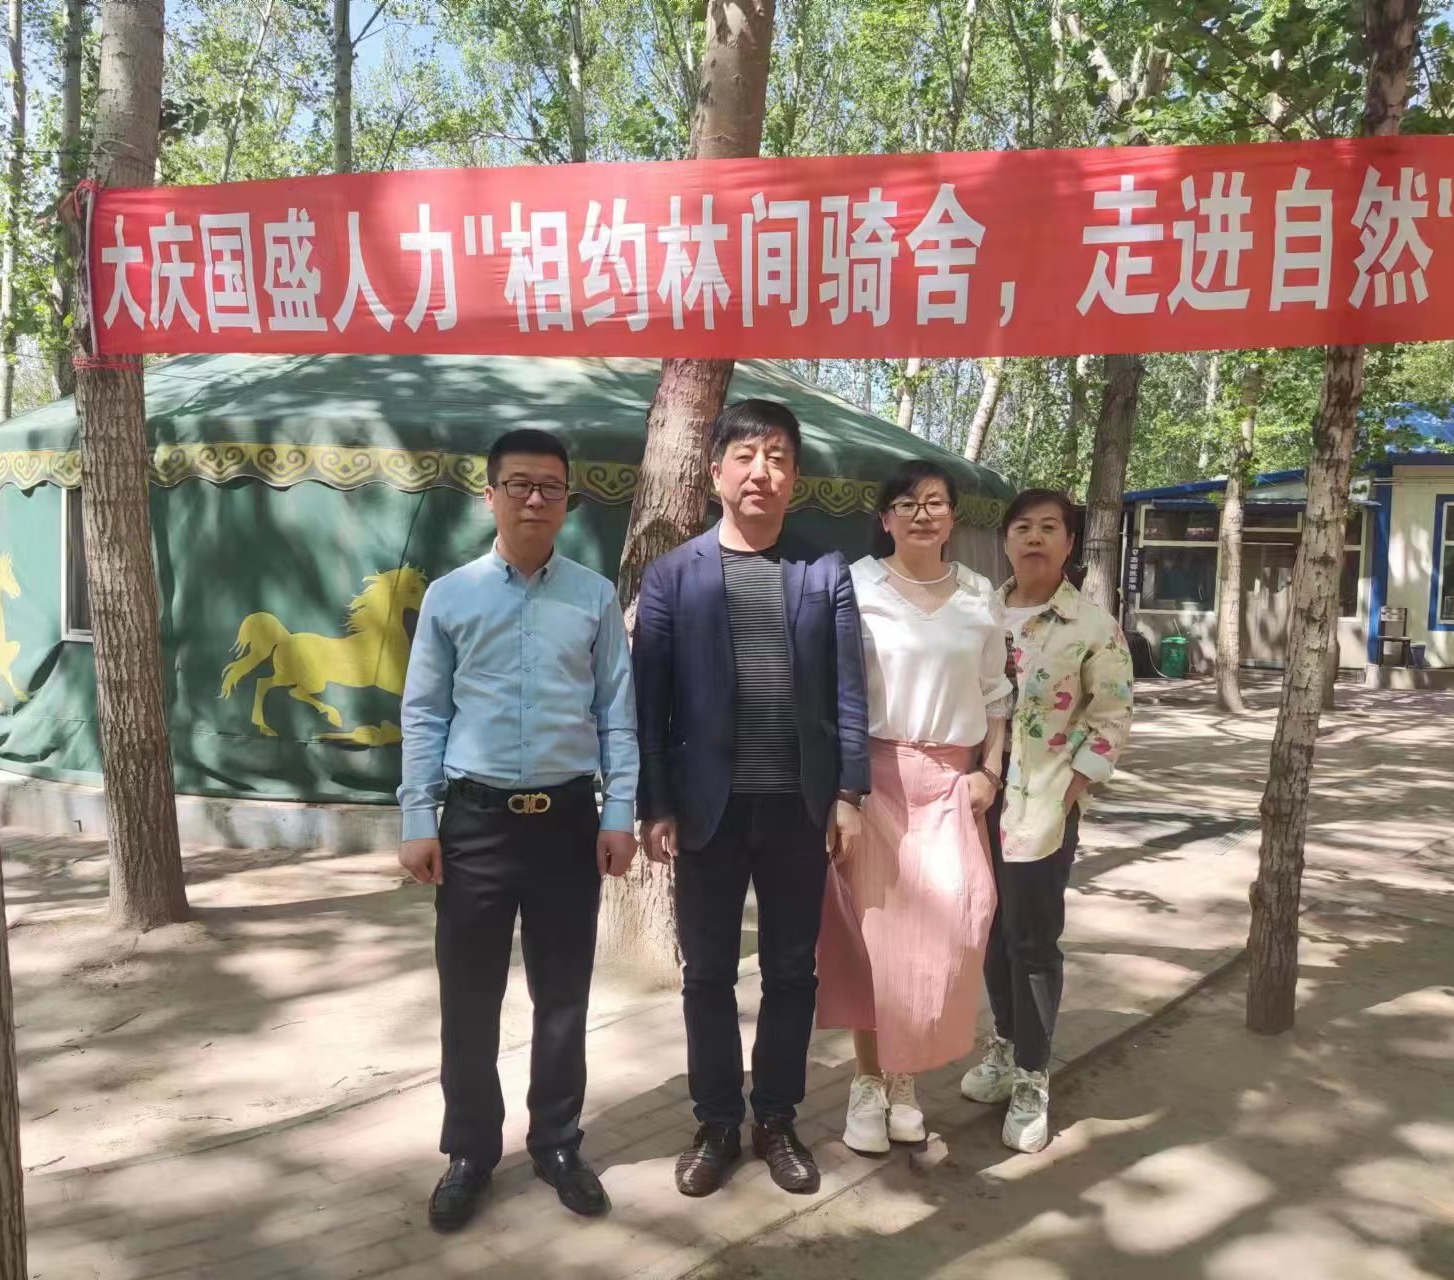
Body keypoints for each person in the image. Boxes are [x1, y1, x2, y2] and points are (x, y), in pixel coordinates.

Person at [398, 428, 639, 1232]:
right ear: (490, 495)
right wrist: (418, 818)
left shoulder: (594, 598)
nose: (535, 499)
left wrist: (618, 813)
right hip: (474, 823)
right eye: (519, 484)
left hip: (567, 821)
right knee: (469, 998)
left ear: (568, 500)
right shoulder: (450, 596)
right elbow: (424, 712)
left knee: (562, 995)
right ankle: (470, 1151)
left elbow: (617, 714)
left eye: (551, 487)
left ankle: (557, 1143)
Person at [633, 398, 870, 1199]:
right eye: (745, 456)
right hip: (709, 810)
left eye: (777, 458)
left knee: (792, 970)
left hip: (799, 807)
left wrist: (848, 792)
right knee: (706, 972)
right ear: (715, 473)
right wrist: (656, 804)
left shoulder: (823, 571)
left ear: (794, 478)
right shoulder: (673, 576)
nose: (760, 471)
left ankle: (776, 1118)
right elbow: (651, 706)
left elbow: (848, 692)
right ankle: (715, 1122)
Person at [815, 460, 1011, 1155]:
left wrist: (991, 771)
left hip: (952, 785)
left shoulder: (979, 594)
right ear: (885, 518)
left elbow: (996, 695)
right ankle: (870, 1083)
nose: (922, 514)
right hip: (874, 780)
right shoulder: (856, 584)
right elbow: (833, 690)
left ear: (954, 516)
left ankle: (907, 1081)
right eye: (907, 503)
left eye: (935, 502)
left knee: (954, 930)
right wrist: (841, 792)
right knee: (875, 943)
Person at [958, 489, 1134, 1153]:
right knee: (989, 931)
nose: (1034, 538)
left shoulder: (1092, 626)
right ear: (1005, 539)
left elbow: (1111, 718)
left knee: (1031, 941)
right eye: (1023, 527)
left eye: (1049, 528)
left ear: (1069, 543)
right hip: (973, 798)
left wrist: (1070, 791)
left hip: (1043, 804)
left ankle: (1033, 1077)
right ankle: (1005, 1046)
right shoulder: (977, 612)